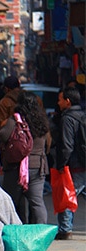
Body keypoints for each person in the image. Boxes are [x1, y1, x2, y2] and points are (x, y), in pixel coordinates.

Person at [0, 91, 50, 224]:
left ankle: (15, 232)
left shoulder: (15, 120)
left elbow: (2, 135)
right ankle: (40, 233)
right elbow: (48, 142)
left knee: (11, 201)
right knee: (37, 202)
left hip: (17, 167)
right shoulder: (42, 121)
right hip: (38, 166)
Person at [54, 86, 86, 240]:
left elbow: (67, 145)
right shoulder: (83, 115)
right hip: (83, 163)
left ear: (67, 101)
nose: (58, 103)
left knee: (67, 196)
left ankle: (65, 229)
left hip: (74, 165)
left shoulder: (67, 119)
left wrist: (62, 165)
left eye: (60, 100)